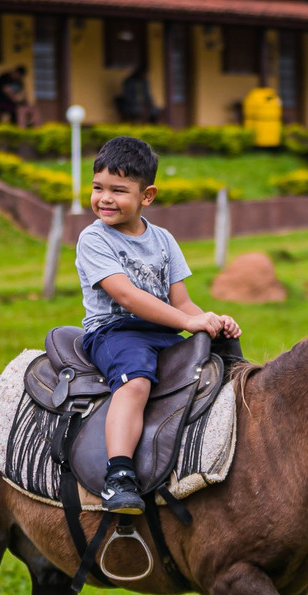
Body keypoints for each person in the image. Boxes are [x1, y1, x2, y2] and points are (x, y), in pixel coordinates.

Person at [75, 137, 241, 514]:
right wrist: (188, 321)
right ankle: (119, 474)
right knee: (135, 382)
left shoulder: (163, 239)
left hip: (163, 330)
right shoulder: (94, 238)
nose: (104, 199)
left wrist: (210, 320)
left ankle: (217, 450)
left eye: (118, 191)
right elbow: (127, 297)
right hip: (115, 331)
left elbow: (182, 303)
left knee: (219, 365)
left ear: (146, 196)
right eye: (98, 188)